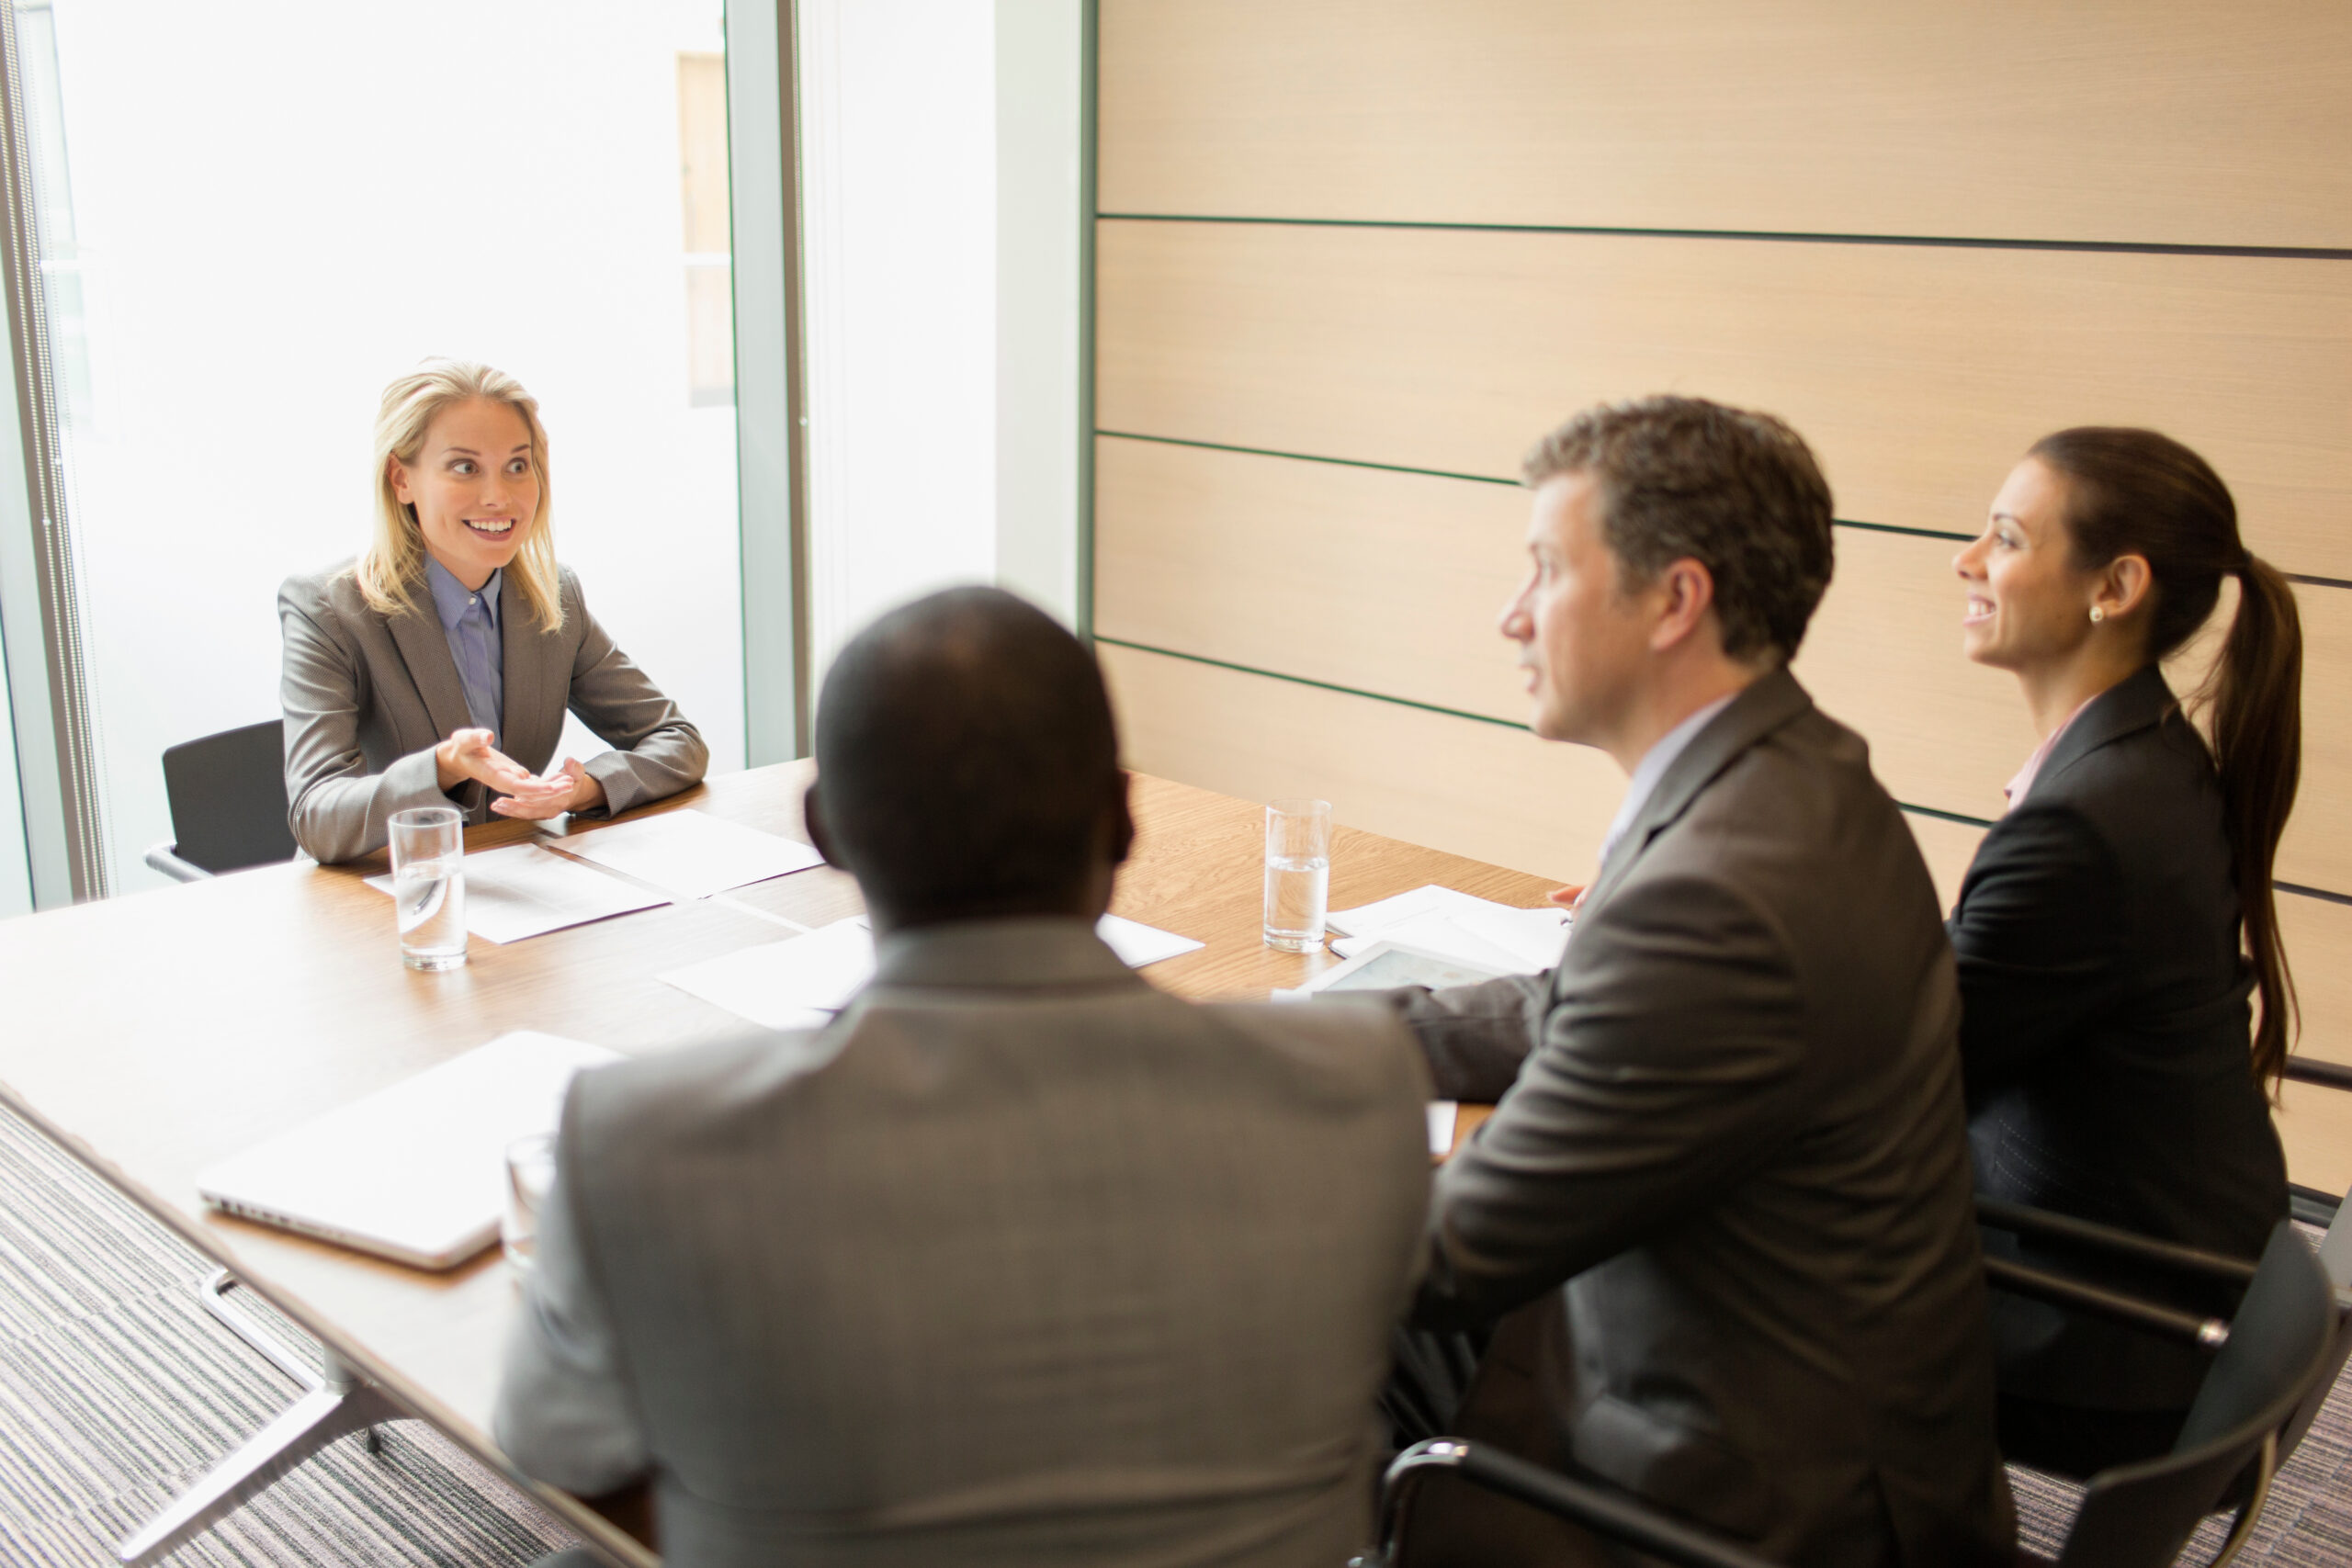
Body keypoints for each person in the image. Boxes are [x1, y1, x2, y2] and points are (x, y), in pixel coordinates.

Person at [493, 587, 1434, 1568]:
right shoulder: (1360, 1086)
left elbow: (556, 1451)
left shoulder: (638, 1142)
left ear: (826, 836)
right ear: (1121, 818)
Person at [1376, 397, 2012, 1565]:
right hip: (1812, 1410)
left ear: (1676, 599)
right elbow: (1572, 1010)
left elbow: (1448, 1256)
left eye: (1543, 571)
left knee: (1264, 1344)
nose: (1509, 617)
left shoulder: (1722, 889)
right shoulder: (1793, 773)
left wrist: (1207, 1155)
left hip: (1749, 1509)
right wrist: (1327, 1032)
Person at [1950, 429, 2297, 1476]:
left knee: (1697, 1262)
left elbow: (1894, 1077)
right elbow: (1972, 991)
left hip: (2103, 1334)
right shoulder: (2140, 756)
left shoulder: (2088, 822)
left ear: (2114, 587)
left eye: (2004, 538)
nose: (1965, 560)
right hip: (2177, 1279)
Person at [278, 359, 706, 863]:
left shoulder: (554, 596)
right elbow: (316, 816)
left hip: (518, 887)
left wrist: (583, 788)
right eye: (465, 467)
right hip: (385, 896)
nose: (498, 496)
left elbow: (677, 741)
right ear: (401, 479)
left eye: (517, 466)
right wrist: (443, 767)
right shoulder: (329, 610)